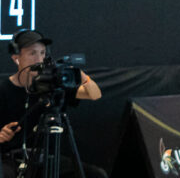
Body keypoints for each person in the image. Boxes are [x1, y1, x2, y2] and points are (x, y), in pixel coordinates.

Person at [0, 30, 104, 178]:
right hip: (11, 159)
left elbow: (94, 94)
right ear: (16, 58)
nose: (39, 59)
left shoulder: (53, 84)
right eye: (32, 53)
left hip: (45, 158)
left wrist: (78, 74)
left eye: (42, 53)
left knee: (96, 174)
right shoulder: (3, 89)